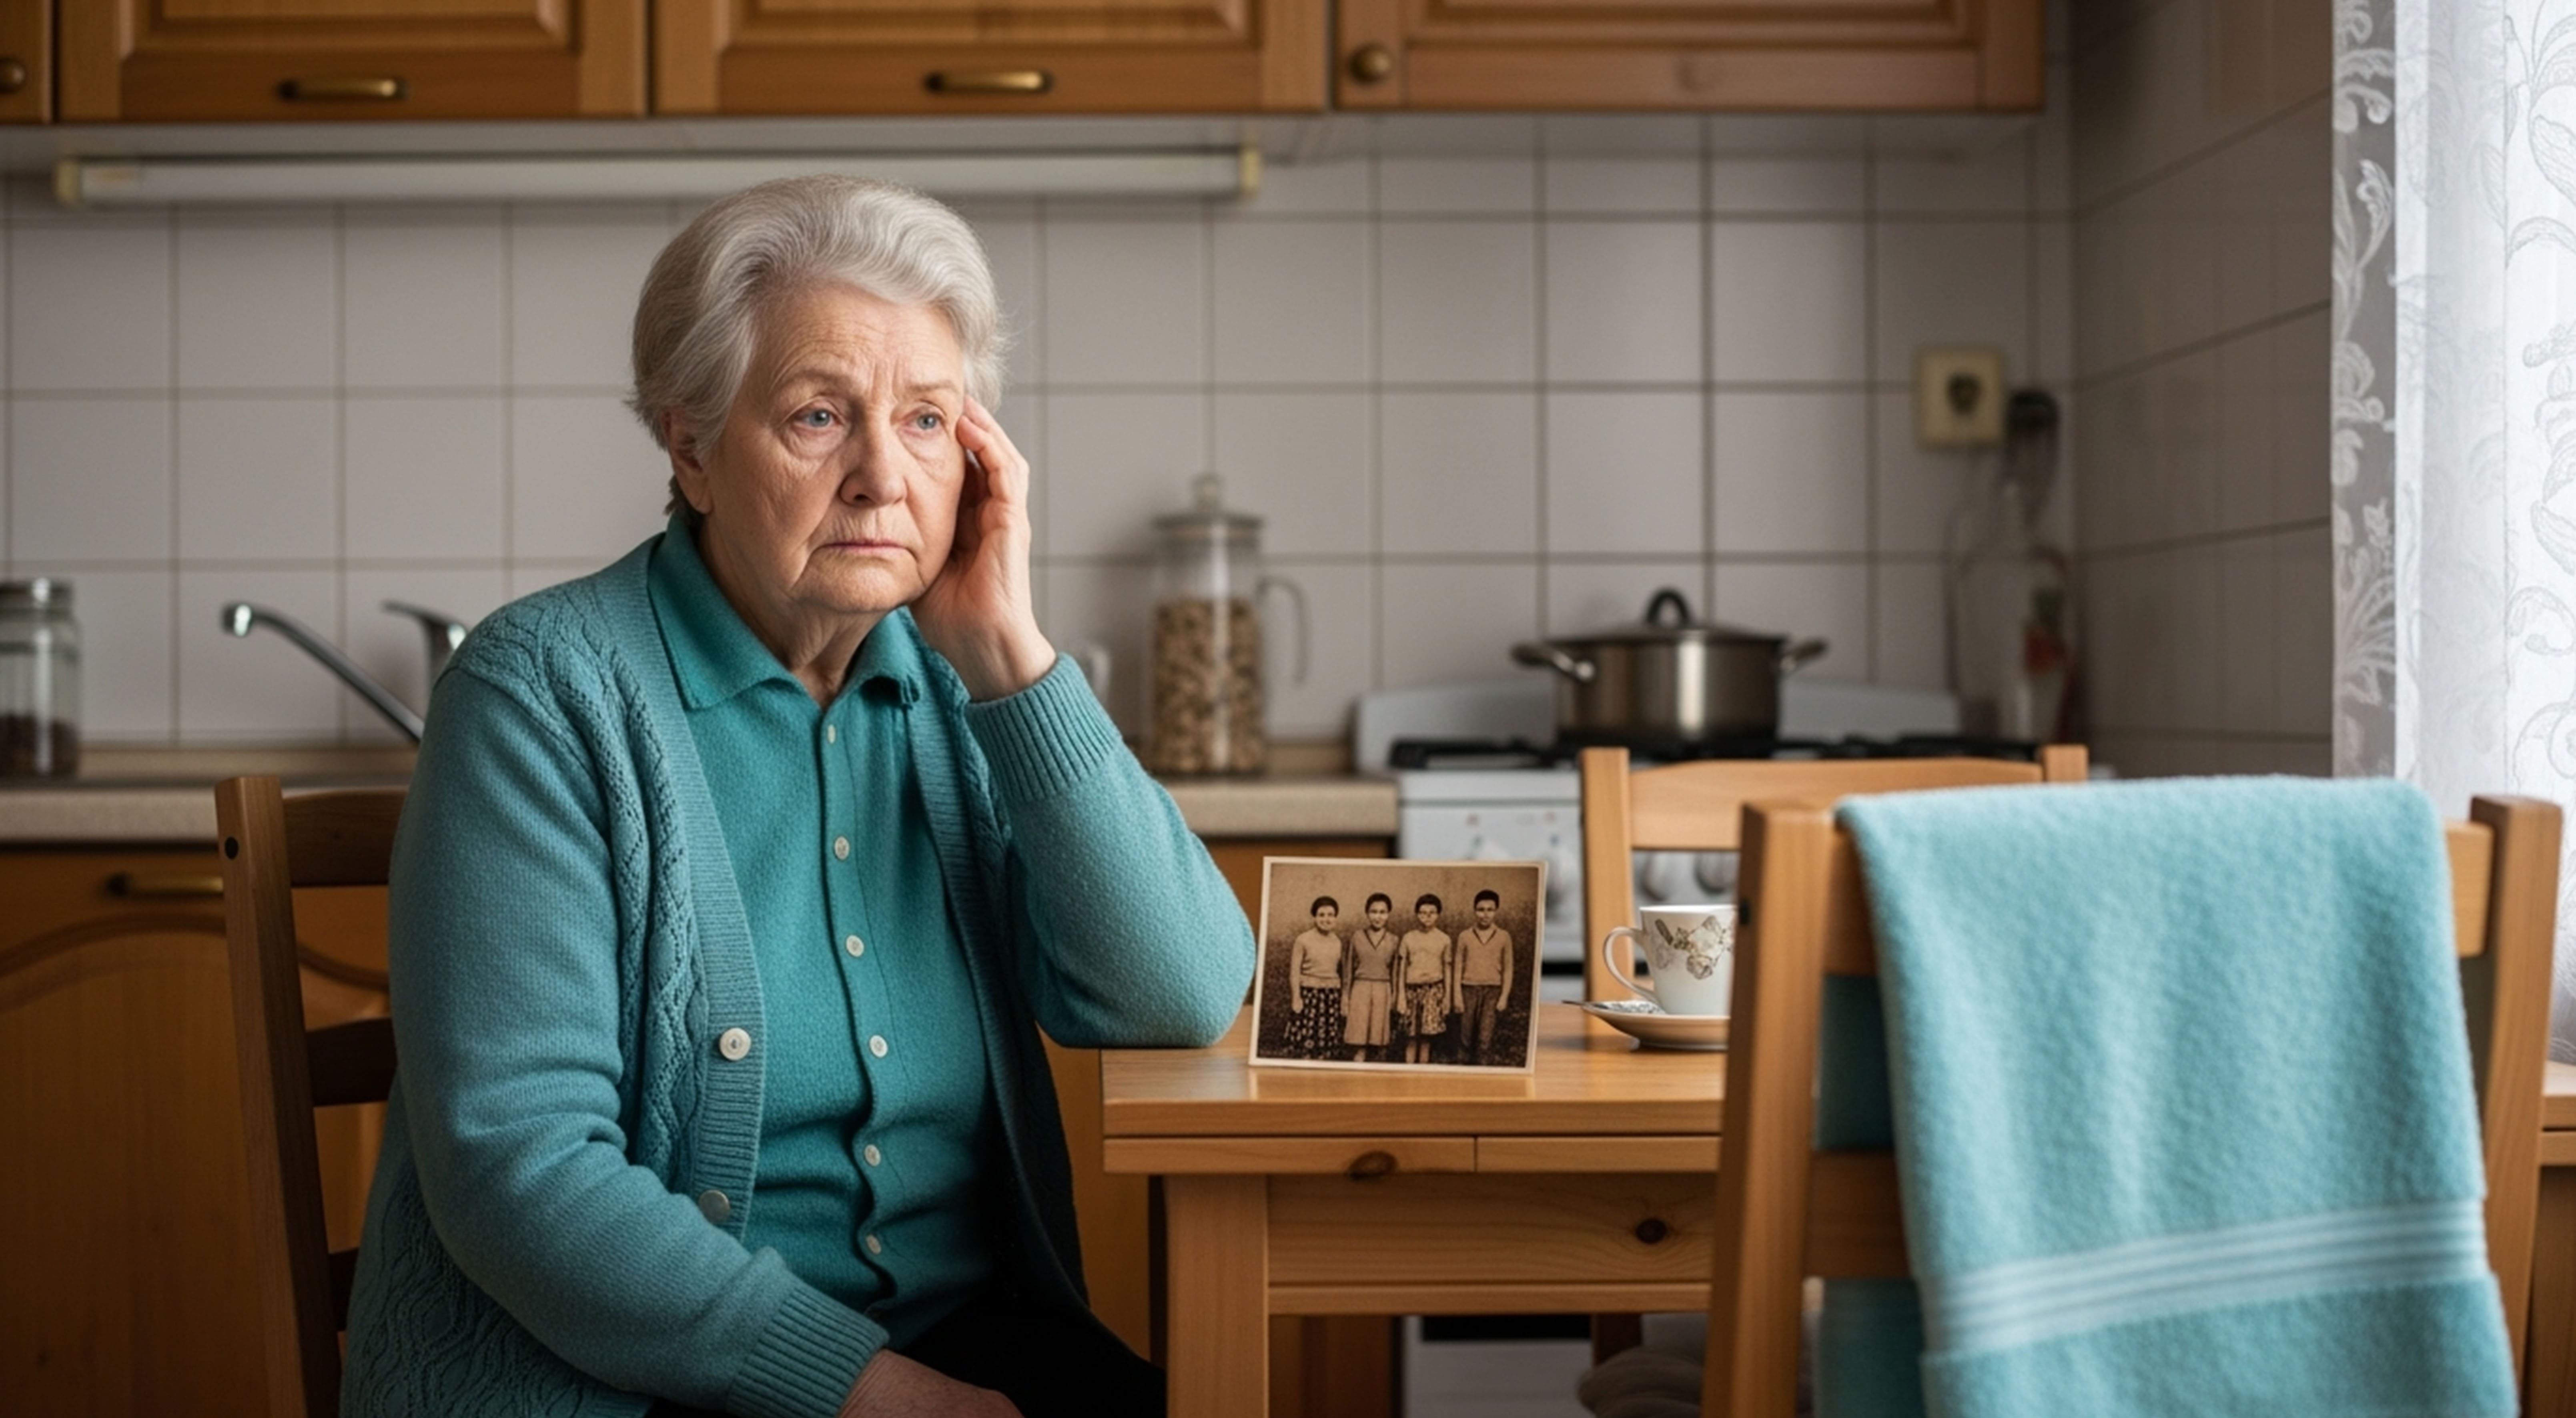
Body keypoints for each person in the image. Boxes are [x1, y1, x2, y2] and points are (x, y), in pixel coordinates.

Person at [340, 176, 1253, 1418]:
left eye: (929, 421)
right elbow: (523, 1167)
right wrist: (882, 1393)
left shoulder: (960, 685)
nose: (884, 475)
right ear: (692, 445)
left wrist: (1011, 658)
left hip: (967, 1341)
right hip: (608, 1381)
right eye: (820, 416)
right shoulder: (541, 688)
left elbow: (1178, 991)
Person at [1454, 890, 1515, 1065]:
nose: (1485, 914)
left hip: (1492, 991)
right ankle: (1462, 1072)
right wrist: (1458, 997)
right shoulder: (1464, 936)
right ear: (1475, 911)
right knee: (1465, 1036)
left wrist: (1504, 997)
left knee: (1485, 1037)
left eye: (1490, 910)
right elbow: (1458, 967)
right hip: (1468, 989)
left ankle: (1484, 1072)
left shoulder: (1504, 937)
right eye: (1481, 910)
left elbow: (1508, 969)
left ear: (1496, 911)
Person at [1397, 894, 1457, 1065]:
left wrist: (1447, 998)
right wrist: (1401, 996)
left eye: (1432, 913)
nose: (1427, 917)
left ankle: (1421, 1073)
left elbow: (1447, 969)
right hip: (1411, 991)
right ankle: (1409, 1073)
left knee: (1426, 1038)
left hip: (1433, 990)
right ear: (1417, 915)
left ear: (1438, 915)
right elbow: (1402, 969)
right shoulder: (1408, 938)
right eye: (1423, 913)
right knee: (1411, 1037)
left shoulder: (1444, 939)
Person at [1285, 897, 1347, 1059]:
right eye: (1322, 915)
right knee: (1307, 1037)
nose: (1326, 919)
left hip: (1331, 996)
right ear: (1314, 917)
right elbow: (1294, 972)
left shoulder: (1338, 942)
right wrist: (1296, 998)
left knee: (1327, 1040)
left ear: (1336, 918)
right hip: (1309, 994)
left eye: (1331, 915)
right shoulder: (1303, 940)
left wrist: (1343, 999)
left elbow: (1342, 973)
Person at [1342, 893, 1401, 1062]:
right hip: (1361, 989)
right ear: (1367, 913)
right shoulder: (1357, 937)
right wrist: (1346, 997)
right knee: (1360, 1041)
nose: (1378, 916)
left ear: (1389, 914)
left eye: (1383, 912)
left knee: (1380, 1040)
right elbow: (1348, 970)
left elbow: (1396, 972)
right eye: (1374, 912)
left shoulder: (1394, 940)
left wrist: (1395, 996)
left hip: (1383, 989)